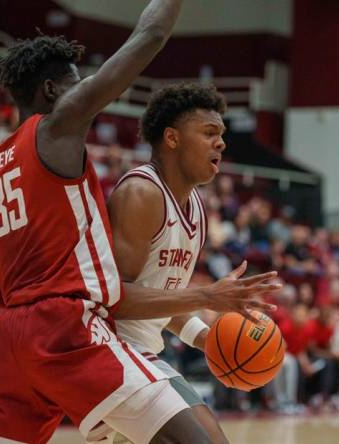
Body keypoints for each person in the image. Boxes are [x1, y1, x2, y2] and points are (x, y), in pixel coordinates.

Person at [0, 2, 278, 443]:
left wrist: (29, 295)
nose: (86, 94)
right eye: (77, 86)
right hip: (67, 328)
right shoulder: (57, 128)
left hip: (11, 339)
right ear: (50, 90)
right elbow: (149, 37)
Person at [106, 83, 230, 443]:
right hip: (107, 351)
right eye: (209, 133)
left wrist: (203, 337)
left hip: (143, 356)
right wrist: (206, 297)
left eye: (221, 134)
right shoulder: (142, 194)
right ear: (172, 138)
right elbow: (114, 300)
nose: (220, 143)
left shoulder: (196, 208)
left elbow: (161, 297)